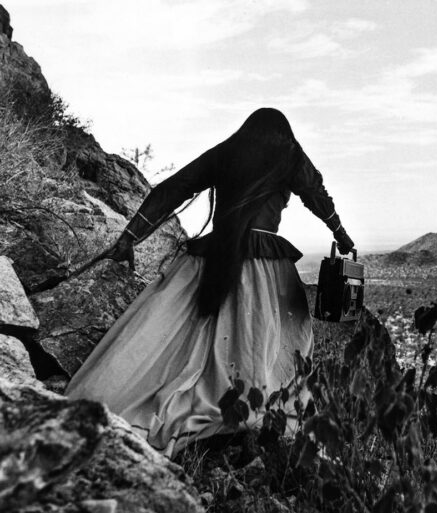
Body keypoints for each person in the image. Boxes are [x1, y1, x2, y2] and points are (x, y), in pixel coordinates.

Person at [65, 108, 354, 457]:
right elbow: (317, 195)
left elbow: (175, 188)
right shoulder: (289, 154)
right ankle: (249, 409)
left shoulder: (227, 151)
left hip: (211, 257)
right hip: (265, 266)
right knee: (279, 339)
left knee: (177, 335)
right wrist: (341, 234)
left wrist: (130, 236)